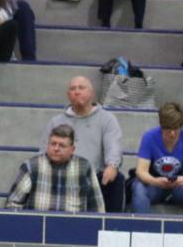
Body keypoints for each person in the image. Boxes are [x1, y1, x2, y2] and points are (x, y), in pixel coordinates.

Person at [42, 76, 125, 213]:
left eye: (81, 88)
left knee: (116, 179)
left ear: (91, 93)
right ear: (68, 95)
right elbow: (43, 153)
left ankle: (112, 227)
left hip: (94, 177)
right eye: (73, 89)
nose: (77, 91)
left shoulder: (107, 119)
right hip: (62, 175)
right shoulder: (56, 121)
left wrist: (112, 165)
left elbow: (113, 147)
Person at [131, 102, 183, 217]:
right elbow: (141, 171)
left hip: (179, 187)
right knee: (139, 189)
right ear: (161, 126)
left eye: (176, 129)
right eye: (168, 129)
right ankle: (142, 230)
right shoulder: (149, 137)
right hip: (155, 185)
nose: (172, 134)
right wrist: (155, 181)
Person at [4, 125, 104, 213]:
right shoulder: (32, 166)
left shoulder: (84, 167)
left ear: (72, 150)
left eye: (62, 145)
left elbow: (97, 208)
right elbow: (12, 205)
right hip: (35, 229)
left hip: (73, 228)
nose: (56, 148)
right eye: (53, 144)